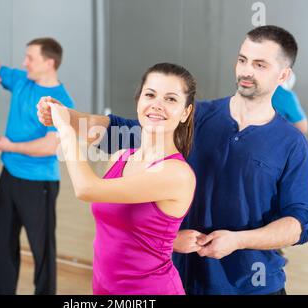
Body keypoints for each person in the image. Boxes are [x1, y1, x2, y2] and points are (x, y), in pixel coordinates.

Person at [38, 25, 308, 295]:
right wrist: (66, 117)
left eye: (260, 64)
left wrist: (238, 240)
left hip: (250, 285)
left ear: (283, 76)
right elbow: (123, 132)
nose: (246, 70)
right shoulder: (196, 116)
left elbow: (300, 222)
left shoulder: (291, 144)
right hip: (184, 277)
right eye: (242, 60)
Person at [43, 62, 196, 295]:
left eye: (171, 99)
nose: (157, 105)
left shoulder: (176, 173)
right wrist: (58, 112)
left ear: (185, 112)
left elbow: (86, 188)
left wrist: (64, 128)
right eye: (150, 94)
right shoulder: (119, 158)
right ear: (138, 102)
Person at [0, 37, 75, 295]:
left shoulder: (60, 100)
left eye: (30, 58)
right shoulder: (21, 80)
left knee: (42, 251)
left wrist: (8, 146)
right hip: (9, 177)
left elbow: (49, 146)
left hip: (39, 183)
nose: (24, 63)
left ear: (49, 63)